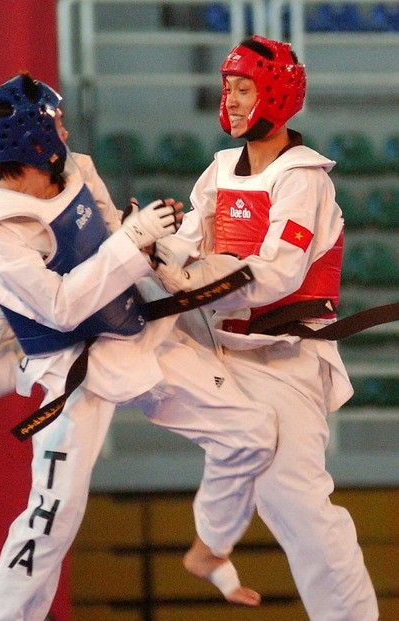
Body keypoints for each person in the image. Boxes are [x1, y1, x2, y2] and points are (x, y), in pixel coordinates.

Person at [0, 71, 278, 621]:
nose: (65, 129)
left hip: (132, 331)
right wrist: (133, 238)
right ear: (35, 140)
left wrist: (162, 249)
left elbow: (111, 233)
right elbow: (60, 306)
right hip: (70, 370)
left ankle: (211, 550)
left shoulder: (76, 169)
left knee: (253, 431)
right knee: (52, 520)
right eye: (56, 123)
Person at [153, 35, 379, 620]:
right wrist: (153, 250)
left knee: (299, 505)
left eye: (243, 88)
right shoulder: (221, 169)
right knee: (113, 343)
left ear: (276, 97)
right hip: (220, 354)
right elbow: (183, 243)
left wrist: (190, 274)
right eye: (226, 88)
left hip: (284, 361)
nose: (228, 100)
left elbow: (278, 272)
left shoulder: (305, 178)